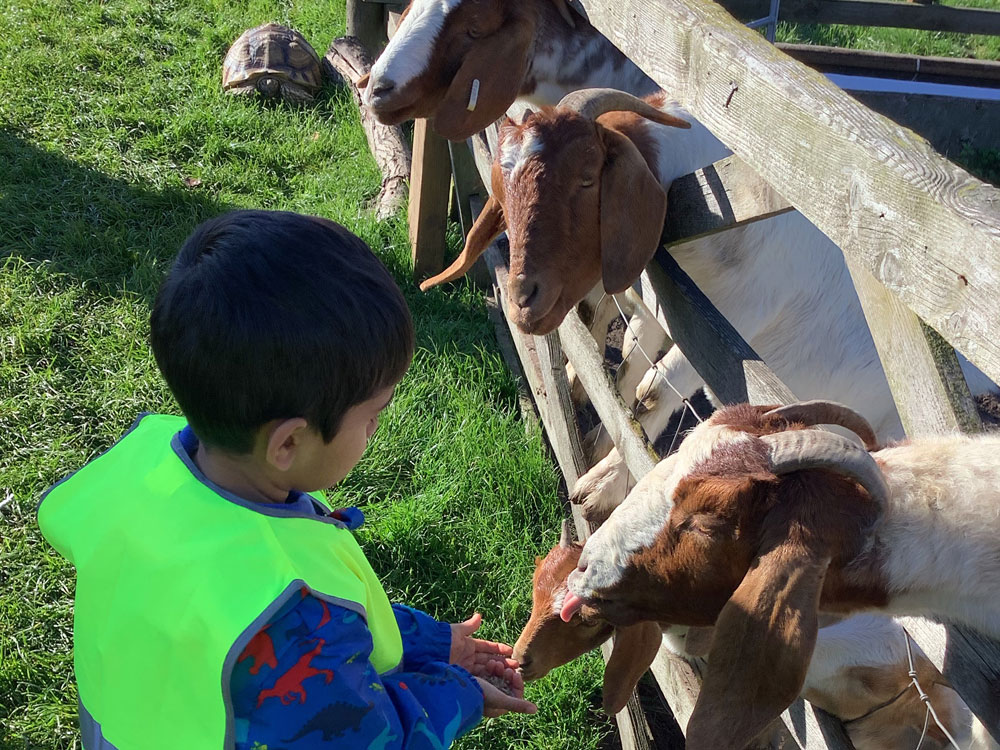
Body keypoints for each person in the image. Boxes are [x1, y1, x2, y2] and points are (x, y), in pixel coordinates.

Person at [38, 210, 537, 750]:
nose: (377, 428)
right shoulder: (288, 612)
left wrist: (432, 642)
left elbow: (302, 618)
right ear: (288, 444)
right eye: (373, 415)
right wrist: (459, 693)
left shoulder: (151, 463)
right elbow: (369, 739)